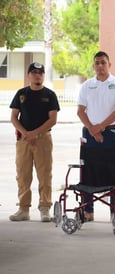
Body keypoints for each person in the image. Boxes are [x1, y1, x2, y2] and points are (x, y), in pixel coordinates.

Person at [77, 51, 115, 221]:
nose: (100, 66)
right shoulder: (87, 85)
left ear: (109, 65)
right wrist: (93, 130)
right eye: (97, 63)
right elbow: (80, 111)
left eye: (103, 63)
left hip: (111, 133)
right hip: (89, 133)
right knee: (88, 171)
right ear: (93, 66)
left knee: (113, 171)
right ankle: (88, 210)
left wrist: (100, 127)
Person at [9, 62, 60, 222]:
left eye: (40, 73)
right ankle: (23, 209)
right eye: (34, 72)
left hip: (43, 139)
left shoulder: (50, 95)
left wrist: (35, 133)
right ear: (28, 75)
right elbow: (13, 117)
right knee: (23, 174)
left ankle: (45, 208)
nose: (37, 75)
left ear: (43, 75)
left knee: (44, 174)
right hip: (24, 140)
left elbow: (53, 119)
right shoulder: (21, 94)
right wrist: (25, 133)